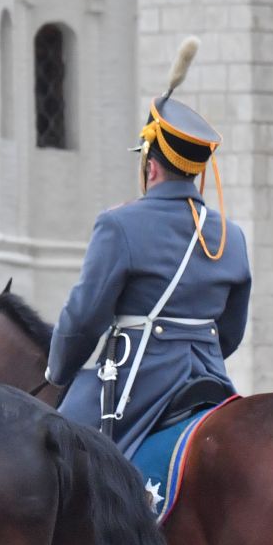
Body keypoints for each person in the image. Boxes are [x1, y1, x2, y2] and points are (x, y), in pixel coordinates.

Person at [46, 36, 249, 457]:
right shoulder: (231, 235)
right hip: (211, 376)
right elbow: (231, 331)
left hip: (139, 381)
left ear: (150, 165)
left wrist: (59, 369)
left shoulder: (120, 224)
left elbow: (85, 316)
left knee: (55, 450)